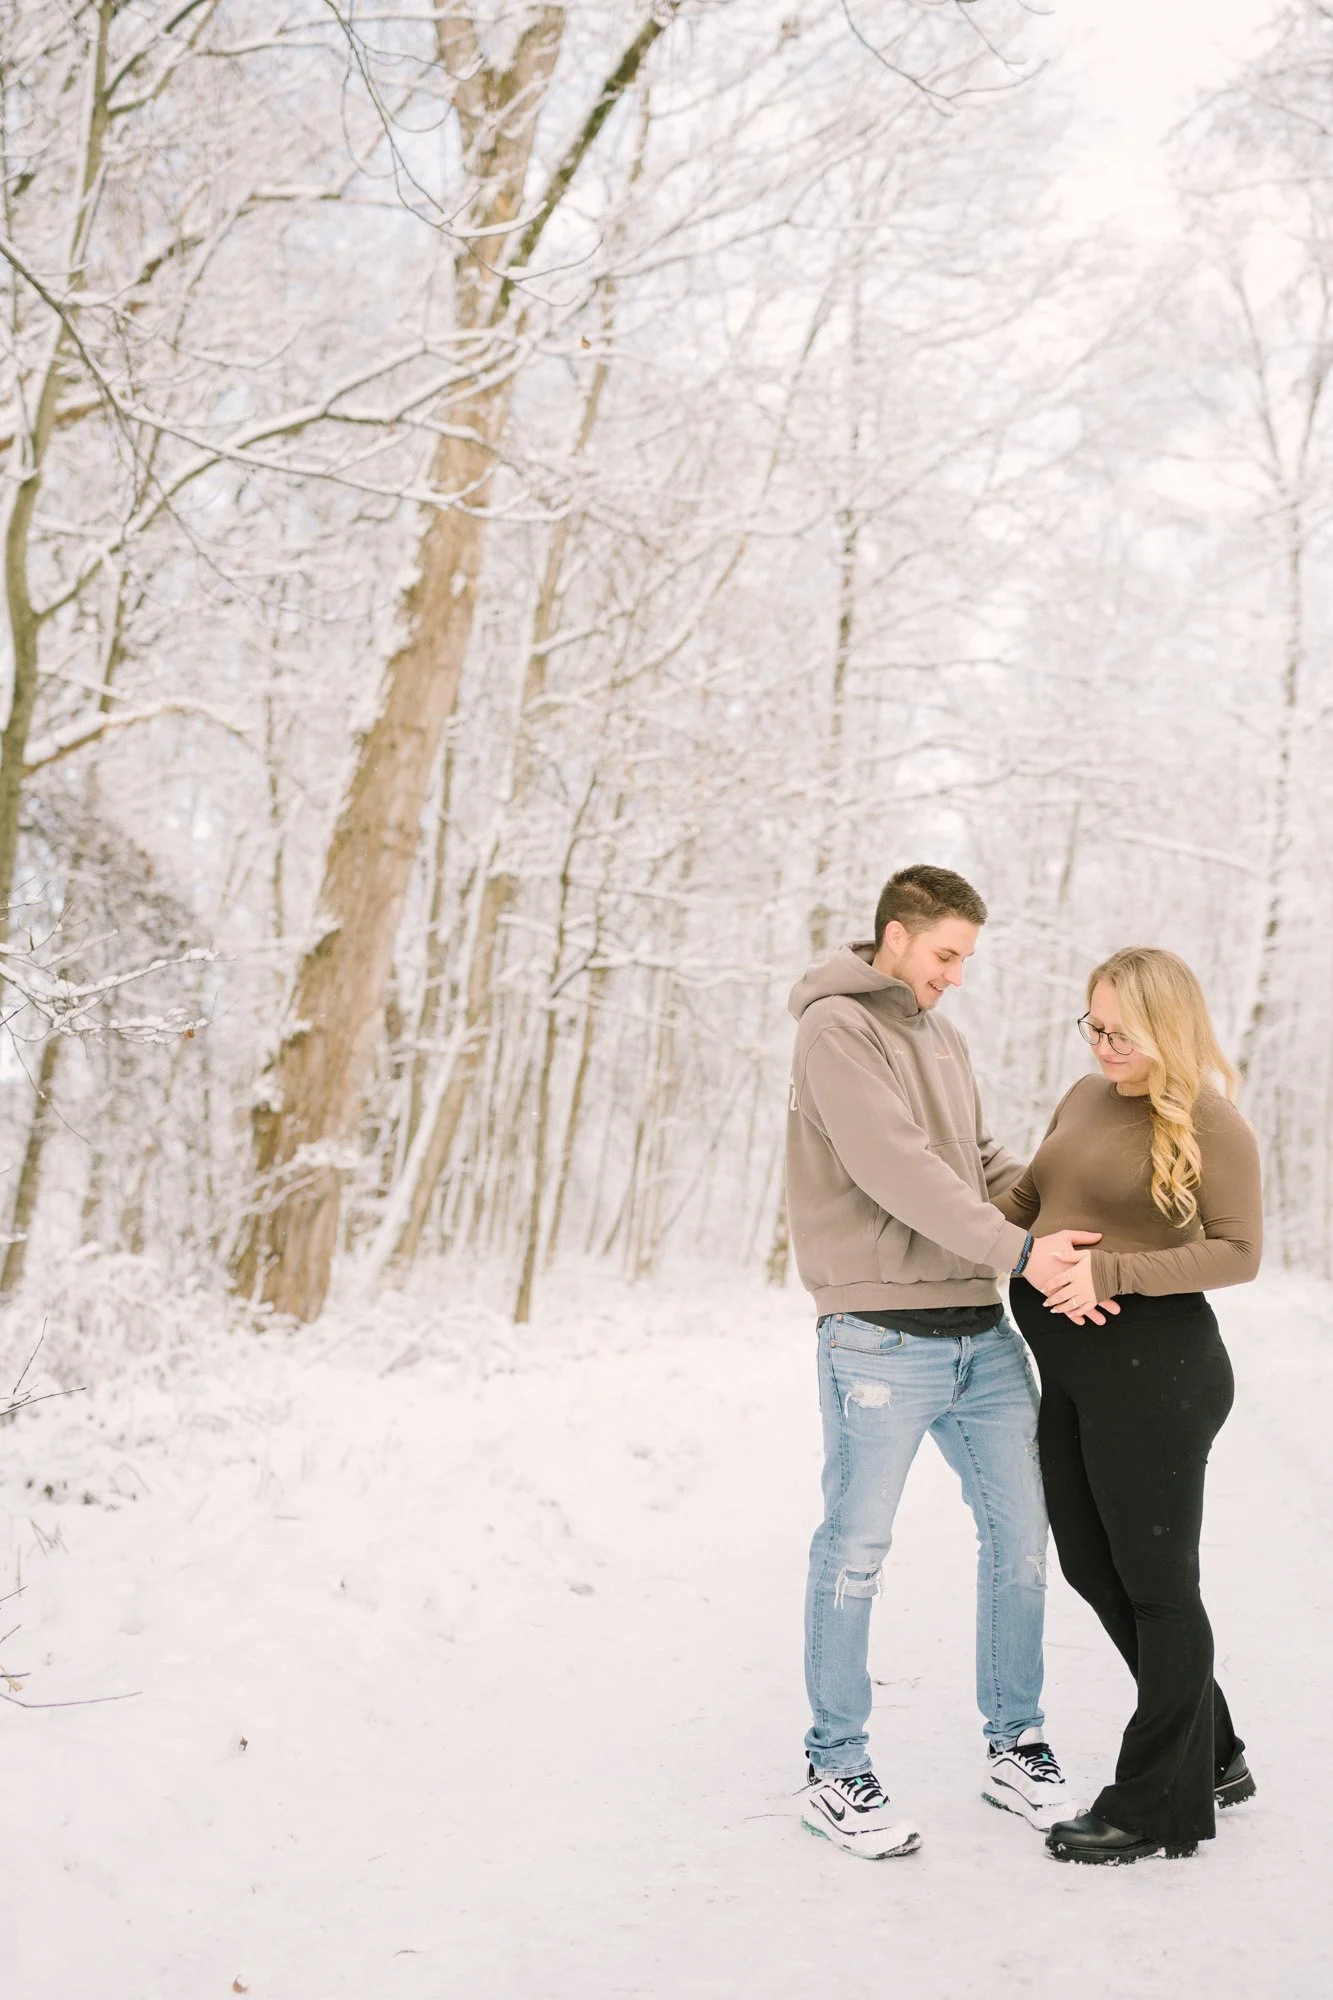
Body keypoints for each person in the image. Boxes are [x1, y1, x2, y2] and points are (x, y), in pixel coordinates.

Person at [786, 864, 1107, 1859]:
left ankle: (1016, 1740)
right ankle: (834, 1765)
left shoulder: (944, 1036)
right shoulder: (835, 1031)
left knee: (1021, 1540)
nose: (956, 975)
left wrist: (1068, 1215)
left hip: (980, 1337)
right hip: (877, 1339)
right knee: (854, 1552)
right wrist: (1017, 1250)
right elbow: (897, 1169)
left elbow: (980, 1166)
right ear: (894, 936)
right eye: (944, 954)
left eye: (965, 957)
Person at [1002, 947, 1262, 1865]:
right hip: (1074, 1371)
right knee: (1088, 1565)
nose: (1104, 1044)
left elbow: (1237, 1252)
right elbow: (1029, 1201)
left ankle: (1153, 1805)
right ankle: (1215, 1748)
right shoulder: (1082, 1096)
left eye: (1122, 1031)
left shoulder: (1210, 1123)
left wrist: (1109, 1269)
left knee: (1158, 1590)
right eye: (1094, 1026)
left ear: (1168, 1026)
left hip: (1156, 1372)